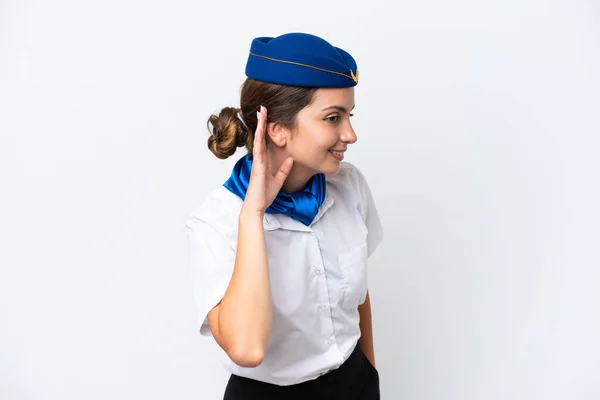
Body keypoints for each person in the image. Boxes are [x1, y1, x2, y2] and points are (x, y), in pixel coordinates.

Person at [185, 32, 384, 400]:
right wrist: (253, 215)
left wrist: (369, 374)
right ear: (277, 129)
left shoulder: (350, 187)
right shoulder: (216, 223)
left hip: (354, 385)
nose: (351, 134)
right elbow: (247, 349)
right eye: (333, 118)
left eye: (349, 116)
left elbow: (358, 298)